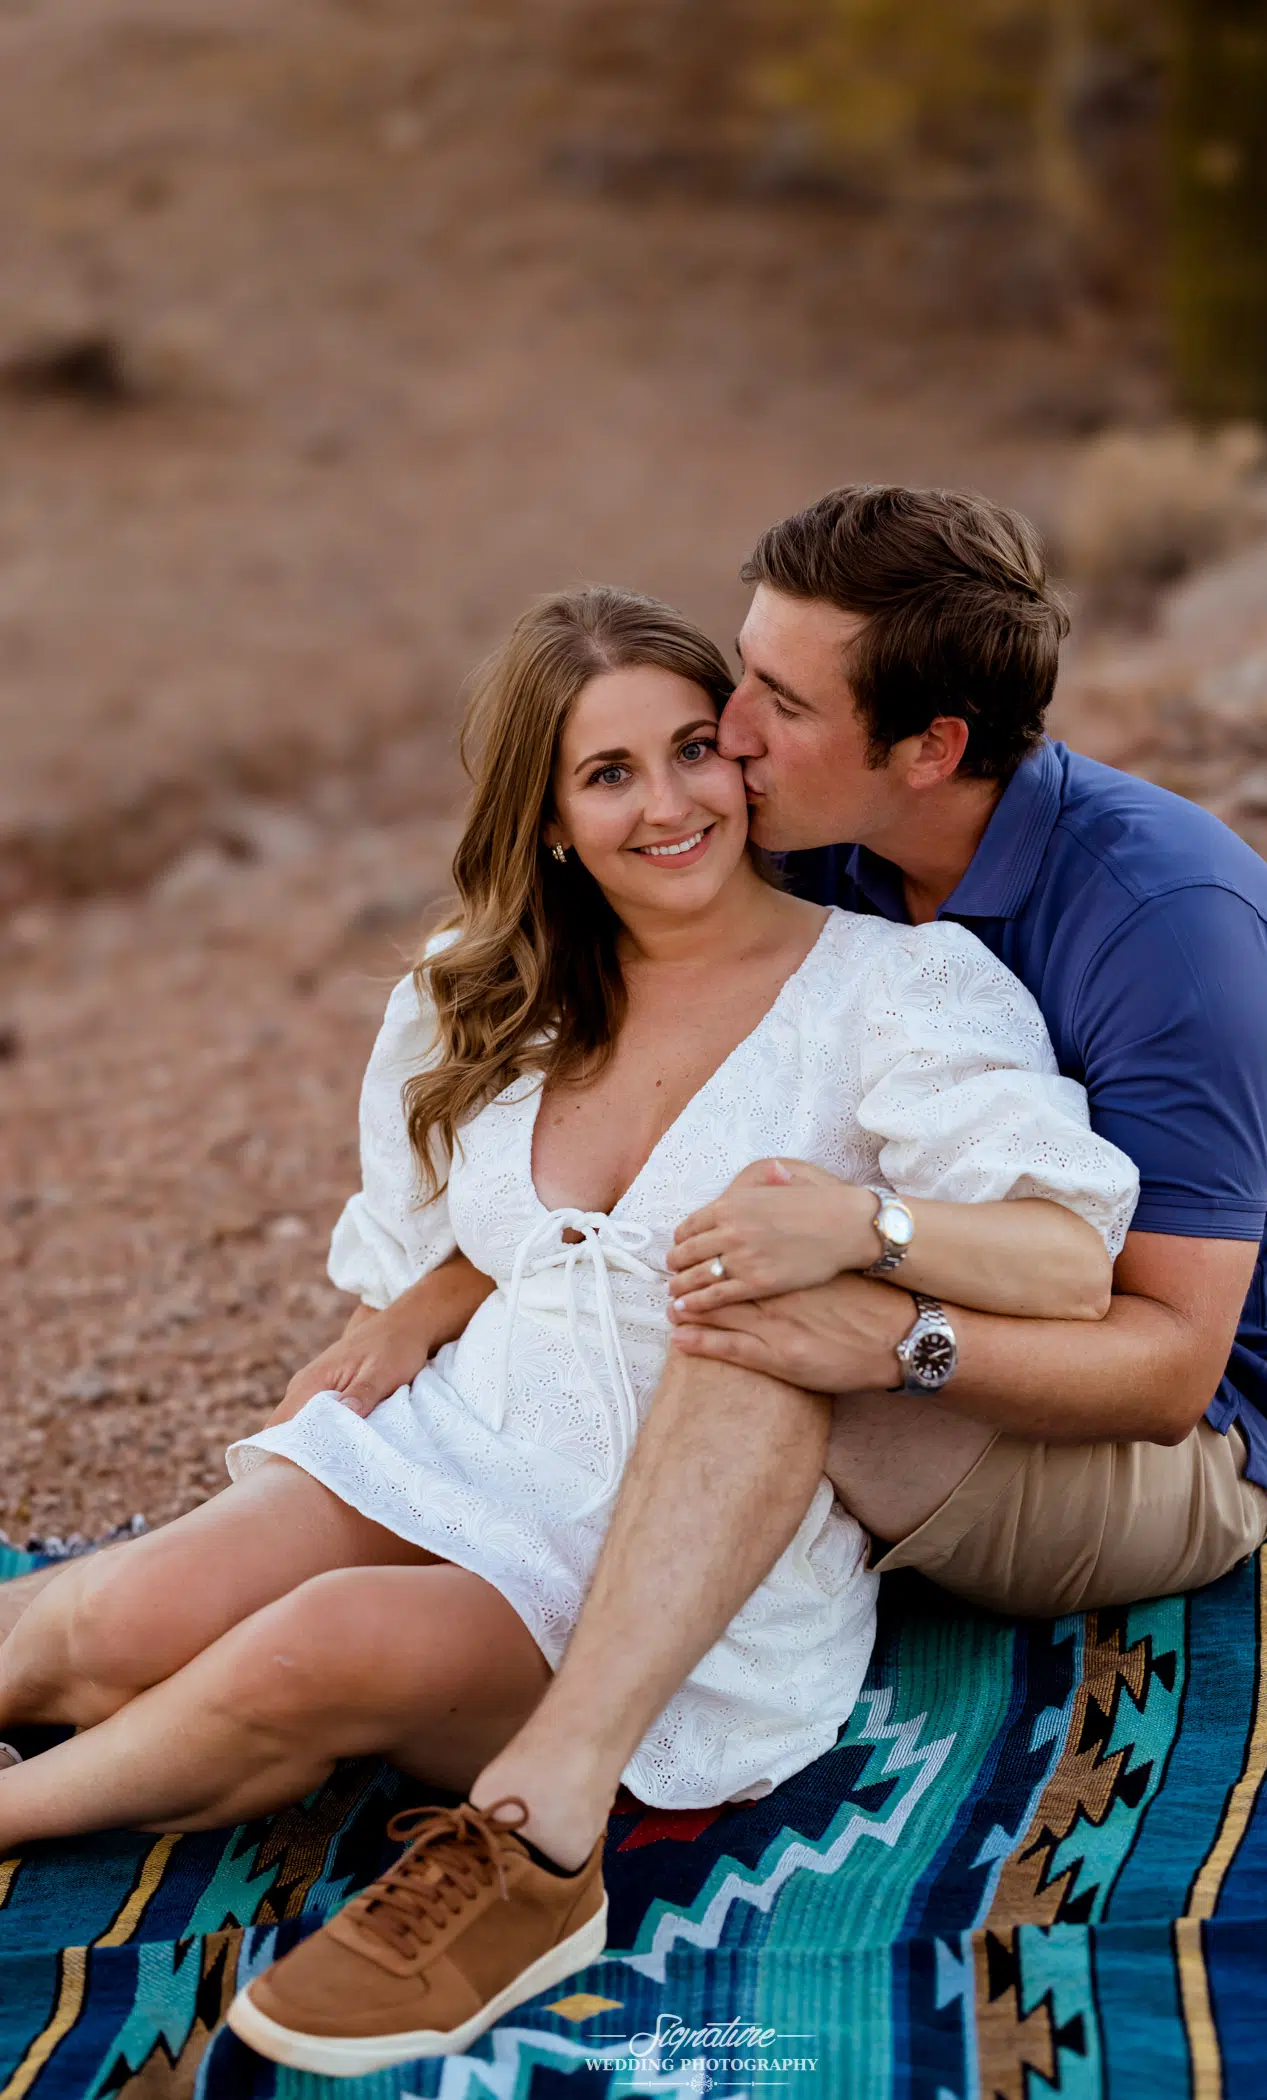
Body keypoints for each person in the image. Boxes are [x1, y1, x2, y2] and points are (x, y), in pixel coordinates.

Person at [221, 484, 1267, 2072]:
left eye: (777, 705)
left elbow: (1165, 1366)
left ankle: (542, 1833)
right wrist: (415, 1306)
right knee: (684, 1309)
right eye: (743, 672)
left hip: (1166, 1444)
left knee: (747, 1321)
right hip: (922, 1348)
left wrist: (877, 1323)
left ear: (932, 748)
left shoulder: (1170, 926)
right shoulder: (842, 852)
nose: (727, 734)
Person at [0, 584, 1138, 2075]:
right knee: (111, 1622)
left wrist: (872, 1227)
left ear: (743, 757)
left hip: (669, 1549)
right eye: (609, 775)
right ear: (546, 817)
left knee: (311, 1651)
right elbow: (480, 1239)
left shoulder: (892, 988)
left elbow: (1067, 1256)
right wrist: (414, 1307)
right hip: (463, 1444)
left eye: (692, 750)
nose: (669, 805)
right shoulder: (483, 994)